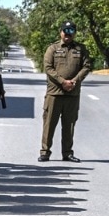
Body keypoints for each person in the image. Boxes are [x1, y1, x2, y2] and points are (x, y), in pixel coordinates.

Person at [41, 20, 92, 162]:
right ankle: (45, 151)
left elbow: (86, 66)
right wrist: (63, 82)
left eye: (71, 31)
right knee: (49, 124)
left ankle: (67, 153)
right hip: (54, 93)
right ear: (61, 32)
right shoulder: (52, 48)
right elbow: (48, 67)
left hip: (72, 93)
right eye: (65, 31)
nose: (68, 34)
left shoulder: (81, 49)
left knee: (69, 124)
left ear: (74, 33)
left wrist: (74, 81)